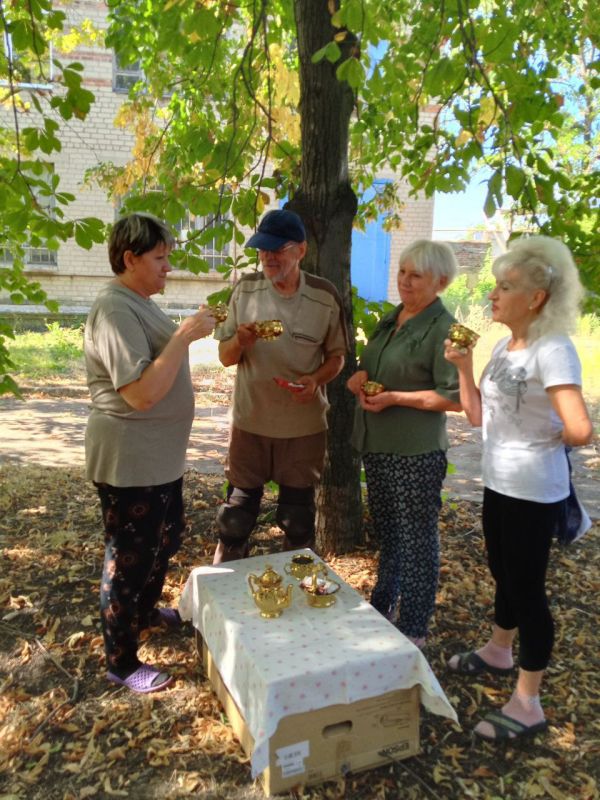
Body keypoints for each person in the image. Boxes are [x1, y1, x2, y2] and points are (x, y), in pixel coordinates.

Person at [444, 235, 593, 741]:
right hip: (499, 482)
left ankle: (528, 704)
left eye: (505, 287)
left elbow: (579, 429)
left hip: (535, 490)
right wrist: (464, 368)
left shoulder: (553, 350)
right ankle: (498, 650)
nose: (494, 295)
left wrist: (542, 436)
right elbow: (478, 416)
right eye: (495, 286)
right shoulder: (507, 347)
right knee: (503, 574)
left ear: (536, 298)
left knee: (528, 592)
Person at [84, 213, 216, 694]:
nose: (168, 267)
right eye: (160, 258)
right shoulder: (115, 310)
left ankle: (141, 614)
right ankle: (120, 662)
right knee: (129, 558)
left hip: (158, 456)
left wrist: (185, 332)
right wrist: (184, 337)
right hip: (130, 458)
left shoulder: (138, 301)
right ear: (130, 258)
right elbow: (140, 393)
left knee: (167, 534)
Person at [213, 209, 348, 563]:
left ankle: (297, 603)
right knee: (235, 519)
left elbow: (338, 357)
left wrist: (316, 380)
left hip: (302, 428)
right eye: (263, 250)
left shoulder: (325, 297)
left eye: (278, 249)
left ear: (301, 250)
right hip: (250, 423)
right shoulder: (244, 289)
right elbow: (225, 357)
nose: (269, 257)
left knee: (297, 519)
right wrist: (240, 342)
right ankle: (225, 598)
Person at [347, 240, 461, 647]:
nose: (405, 281)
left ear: (441, 281)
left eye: (417, 275)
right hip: (377, 444)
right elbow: (373, 365)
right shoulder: (392, 318)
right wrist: (359, 378)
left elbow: (454, 397)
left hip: (415, 452)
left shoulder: (444, 329)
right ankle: (382, 606)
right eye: (402, 271)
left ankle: (413, 626)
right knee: (390, 534)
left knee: (417, 540)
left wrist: (395, 398)